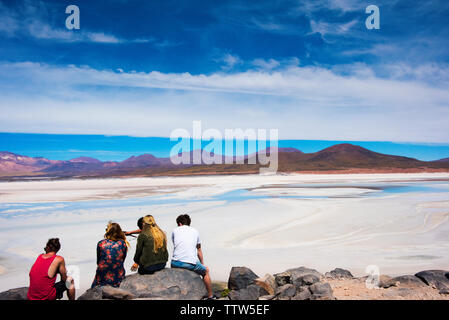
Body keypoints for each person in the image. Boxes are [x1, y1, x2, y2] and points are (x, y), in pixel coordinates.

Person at [171, 214, 214, 299]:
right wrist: (202, 264)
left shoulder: (174, 230)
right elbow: (199, 250)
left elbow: (176, 245)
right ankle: (210, 296)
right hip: (190, 263)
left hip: (175, 262)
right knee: (206, 271)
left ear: (179, 223)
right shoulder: (195, 231)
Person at [91, 222, 129, 288]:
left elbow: (98, 261)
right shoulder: (123, 243)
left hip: (102, 273)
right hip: (118, 273)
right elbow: (122, 260)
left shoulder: (101, 243)